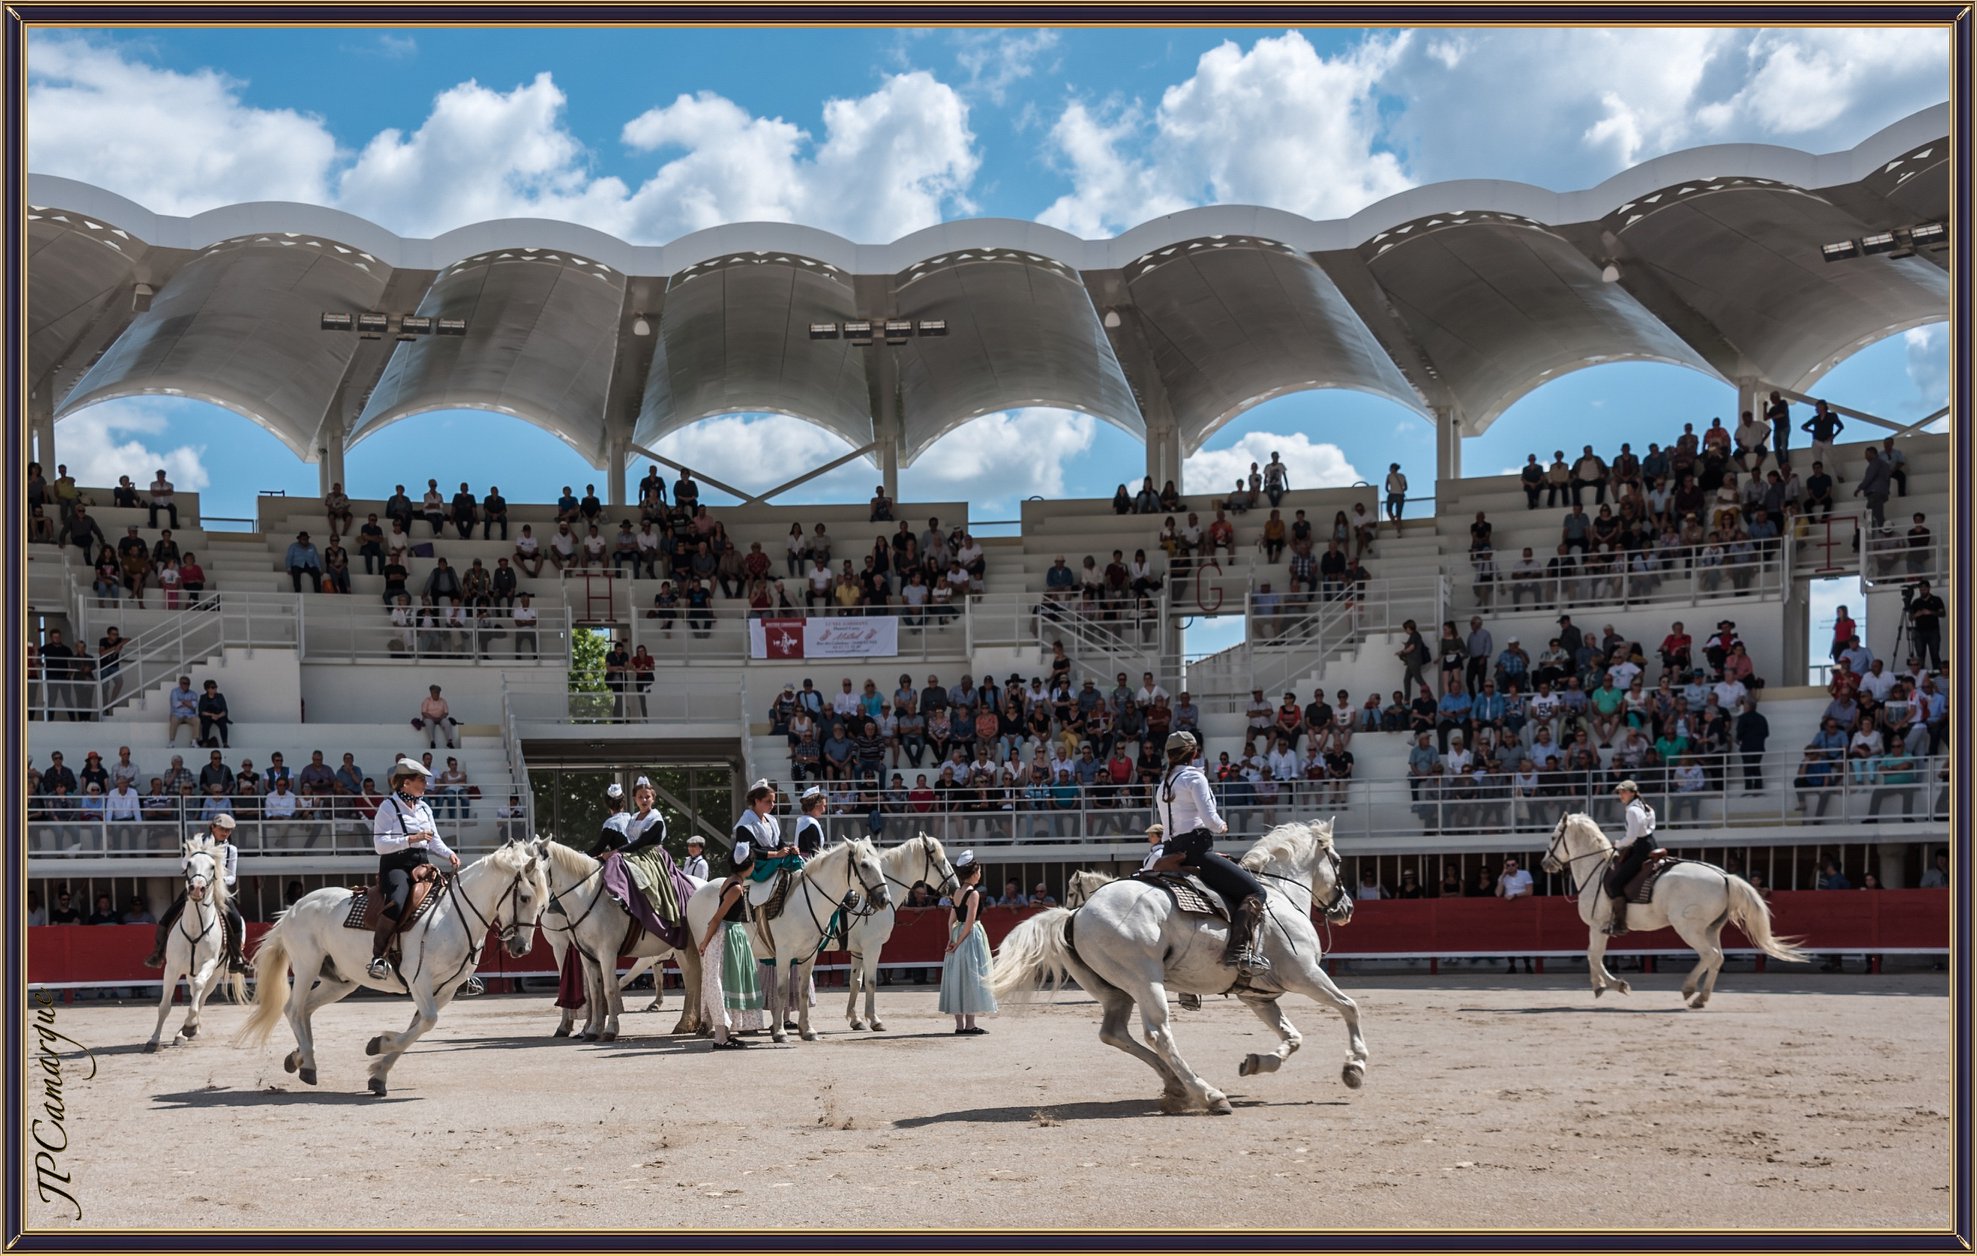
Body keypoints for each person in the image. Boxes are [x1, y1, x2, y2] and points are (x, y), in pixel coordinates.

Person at [1146, 731, 1270, 975]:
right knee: (1256, 891)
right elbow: (1210, 820)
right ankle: (1238, 952)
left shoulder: (1163, 785)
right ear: (1194, 753)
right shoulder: (1194, 778)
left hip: (1170, 853)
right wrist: (1222, 826)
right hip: (1197, 851)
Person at [368, 758, 459, 980]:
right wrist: (411, 839)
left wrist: (449, 854)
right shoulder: (387, 807)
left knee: (450, 901)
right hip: (395, 865)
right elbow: (380, 846)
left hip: (423, 864)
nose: (425, 784)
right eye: (421, 780)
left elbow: (434, 840)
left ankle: (456, 965)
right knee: (397, 902)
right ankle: (378, 957)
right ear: (405, 783)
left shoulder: (425, 807)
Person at [142, 812, 249, 974]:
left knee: (235, 919)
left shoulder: (231, 850)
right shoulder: (198, 845)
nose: (225, 833)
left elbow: (232, 877)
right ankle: (158, 953)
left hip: (217, 890)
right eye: (222, 829)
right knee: (168, 916)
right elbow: (185, 864)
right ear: (212, 827)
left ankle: (237, 958)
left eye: (228, 830)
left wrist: (216, 880)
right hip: (195, 886)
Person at [695, 842, 758, 1049]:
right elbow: (717, 918)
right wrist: (705, 941)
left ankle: (726, 1034)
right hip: (726, 936)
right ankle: (720, 1038)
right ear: (748, 865)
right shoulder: (736, 888)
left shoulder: (731, 881)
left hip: (731, 934)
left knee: (728, 983)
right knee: (719, 983)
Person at [939, 850, 996, 1034]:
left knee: (957, 978)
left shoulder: (956, 892)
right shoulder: (974, 894)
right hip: (970, 937)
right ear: (973, 872)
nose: (980, 874)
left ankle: (959, 1026)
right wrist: (960, 941)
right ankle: (970, 1025)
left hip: (957, 934)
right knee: (971, 977)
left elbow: (951, 920)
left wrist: (952, 939)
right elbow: (970, 923)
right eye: (978, 871)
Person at [1603, 779, 1656, 936]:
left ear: (1633, 793)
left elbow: (1631, 837)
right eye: (1620, 792)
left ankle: (1620, 924)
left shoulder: (1632, 811)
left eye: (1624, 792)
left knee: (1615, 884)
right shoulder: (1646, 807)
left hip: (1640, 849)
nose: (1621, 795)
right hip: (1650, 844)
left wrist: (1617, 845)